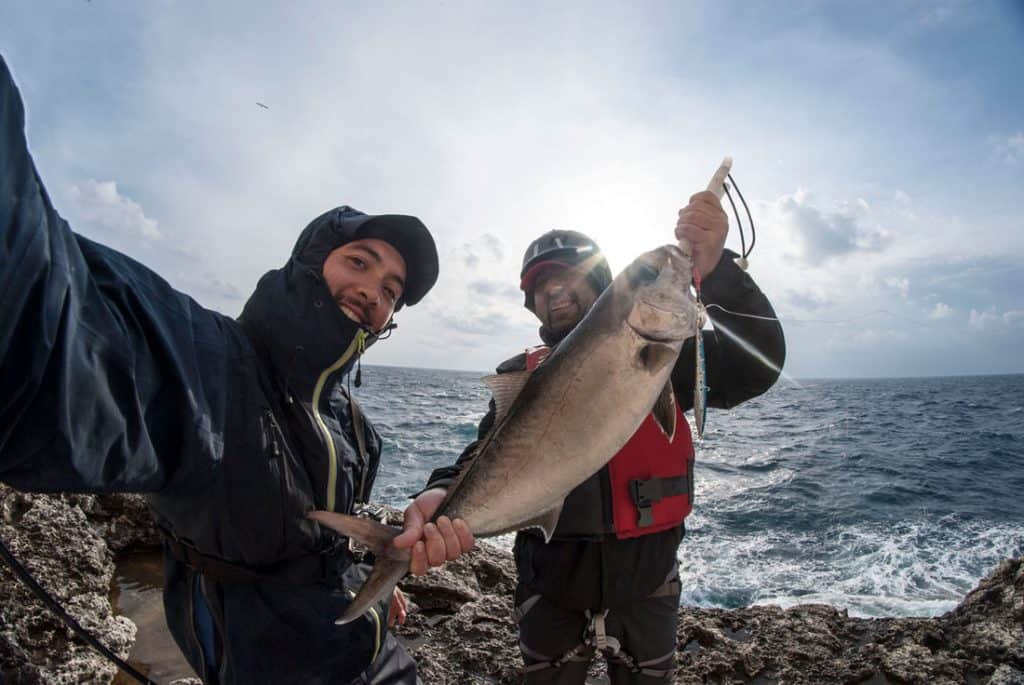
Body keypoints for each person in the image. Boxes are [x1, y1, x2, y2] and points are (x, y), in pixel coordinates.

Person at [0, 55, 473, 684]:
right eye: (358, 262)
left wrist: (375, 577)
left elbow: (329, 539)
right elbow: (58, 327)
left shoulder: (358, 428)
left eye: (392, 289)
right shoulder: (211, 363)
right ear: (309, 260)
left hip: (374, 653)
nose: (373, 292)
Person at [414, 198, 786, 681]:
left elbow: (761, 364)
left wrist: (718, 274)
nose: (554, 290)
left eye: (568, 275)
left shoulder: (668, 355)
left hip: (647, 587)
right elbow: (483, 454)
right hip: (550, 591)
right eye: (540, 285)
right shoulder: (520, 378)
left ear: (602, 283)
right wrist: (441, 492)